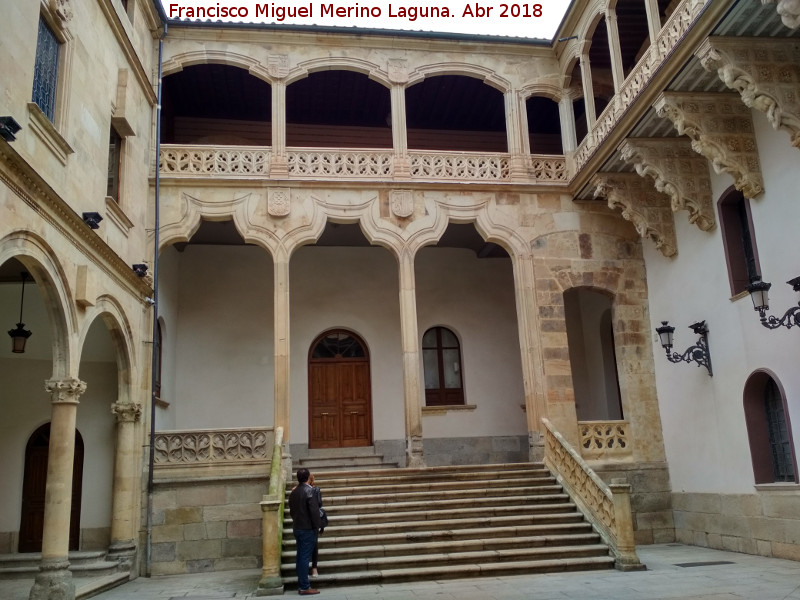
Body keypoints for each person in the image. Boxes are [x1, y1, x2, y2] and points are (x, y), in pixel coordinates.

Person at [288, 468, 322, 595]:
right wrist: (317, 526)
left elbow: (292, 511)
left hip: (297, 527)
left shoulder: (294, 492)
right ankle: (304, 587)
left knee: (300, 556)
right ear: (308, 477)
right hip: (307, 528)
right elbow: (314, 511)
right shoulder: (310, 491)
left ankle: (302, 584)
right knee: (303, 557)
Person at [308, 473, 323, 577]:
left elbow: (319, 504)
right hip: (304, 522)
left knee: (314, 545)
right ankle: (312, 569)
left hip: (313, 521)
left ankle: (314, 567)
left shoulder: (315, 490)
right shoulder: (298, 490)